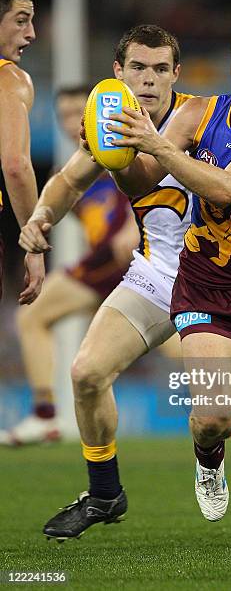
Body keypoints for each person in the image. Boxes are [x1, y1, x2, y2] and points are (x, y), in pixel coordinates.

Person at [20, 25, 231, 549]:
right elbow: (76, 180)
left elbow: (228, 185)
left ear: (177, 74)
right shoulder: (116, 125)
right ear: (118, 75)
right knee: (87, 373)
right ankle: (105, 494)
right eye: (137, 70)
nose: (147, 81)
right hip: (160, 279)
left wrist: (142, 145)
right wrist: (41, 218)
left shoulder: (201, 115)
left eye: (158, 70)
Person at [0, 85, 138, 446]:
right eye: (63, 114)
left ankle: (46, 417)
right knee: (35, 318)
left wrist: (132, 225)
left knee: (36, 318)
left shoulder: (119, 151)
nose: (71, 121)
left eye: (79, 111)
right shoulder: (73, 170)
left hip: (135, 262)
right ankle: (47, 417)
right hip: (106, 266)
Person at [0, 0, 44, 304]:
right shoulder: (10, 79)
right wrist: (34, 241)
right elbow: (16, 164)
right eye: (21, 19)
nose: (31, 33)